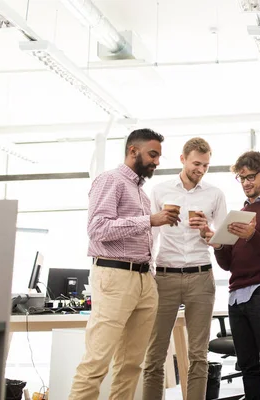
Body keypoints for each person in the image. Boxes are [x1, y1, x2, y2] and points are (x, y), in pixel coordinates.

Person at [69, 129, 180, 400]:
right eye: (152, 154)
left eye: (158, 156)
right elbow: (97, 229)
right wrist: (149, 221)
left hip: (143, 280)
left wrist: (150, 276)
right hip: (115, 276)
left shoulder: (141, 194)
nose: (156, 161)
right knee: (97, 361)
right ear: (133, 151)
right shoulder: (110, 180)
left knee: (131, 365)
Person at [204, 151, 260, 400]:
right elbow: (228, 265)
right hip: (236, 297)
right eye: (241, 178)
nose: (246, 183)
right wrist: (218, 245)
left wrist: (252, 236)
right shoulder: (238, 215)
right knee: (248, 367)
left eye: (251, 177)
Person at [143, 137, 227, 399]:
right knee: (155, 354)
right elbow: (150, 234)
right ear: (182, 159)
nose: (200, 170)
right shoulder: (160, 190)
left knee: (198, 355)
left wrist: (207, 231)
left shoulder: (214, 194)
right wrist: (148, 273)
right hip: (165, 277)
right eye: (196, 163)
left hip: (200, 277)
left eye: (206, 165)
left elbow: (223, 240)